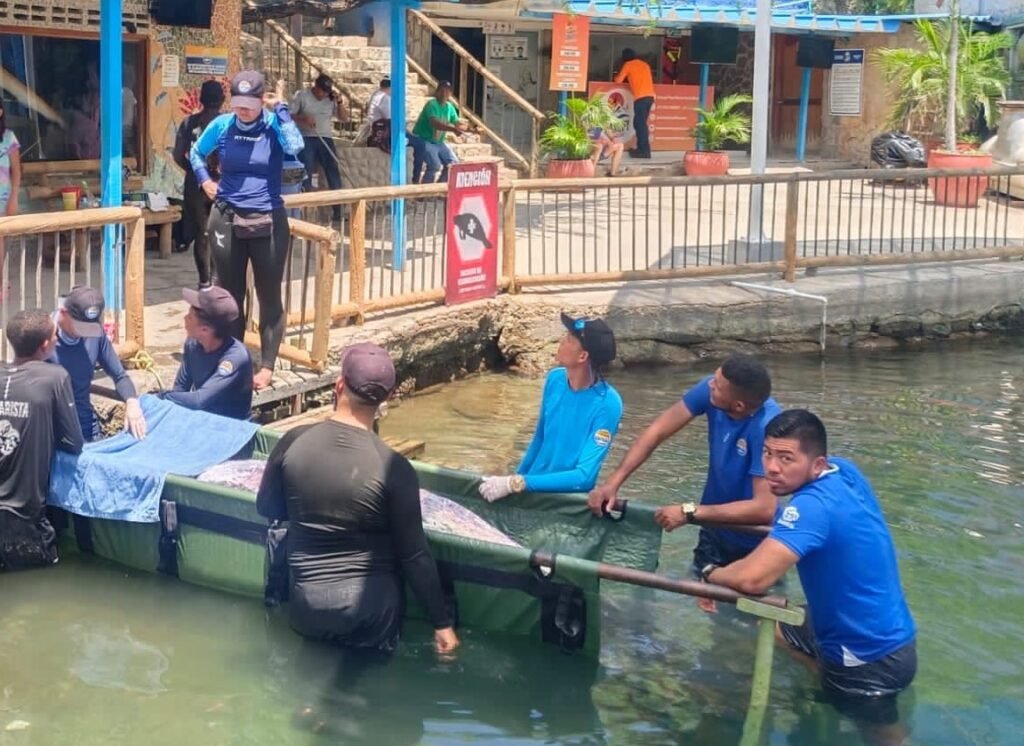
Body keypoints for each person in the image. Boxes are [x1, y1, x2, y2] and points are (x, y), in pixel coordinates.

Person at [705, 409, 917, 743]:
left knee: (884, 738)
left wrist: (711, 574)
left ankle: (837, 689)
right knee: (779, 627)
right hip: (889, 631)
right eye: (768, 453)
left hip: (866, 657)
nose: (771, 467)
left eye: (786, 458)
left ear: (816, 464)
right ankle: (821, 676)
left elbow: (752, 580)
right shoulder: (845, 472)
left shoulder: (810, 508)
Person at [256, 342, 459, 656]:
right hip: (372, 612)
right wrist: (442, 624)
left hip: (306, 605)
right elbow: (414, 556)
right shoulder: (395, 468)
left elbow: (266, 507)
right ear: (385, 399)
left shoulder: (293, 441)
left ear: (339, 386)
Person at [588, 354, 781, 611]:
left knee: (747, 624)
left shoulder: (768, 428)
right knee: (706, 612)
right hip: (713, 531)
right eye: (714, 378)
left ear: (738, 406)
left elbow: (764, 508)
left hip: (756, 545)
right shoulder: (712, 391)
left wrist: (688, 512)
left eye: (718, 385)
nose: (711, 384)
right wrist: (613, 483)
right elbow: (657, 432)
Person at [190, 71, 304, 391]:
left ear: (260, 100)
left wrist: (281, 109)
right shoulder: (223, 125)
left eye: (249, 105)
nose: (243, 111)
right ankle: (233, 360)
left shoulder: (273, 126)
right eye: (238, 104)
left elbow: (296, 146)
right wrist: (205, 180)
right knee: (229, 294)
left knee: (269, 294)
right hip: (226, 215)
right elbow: (195, 152)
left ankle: (266, 366)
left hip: (267, 217)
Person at [479, 313, 623, 501]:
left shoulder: (609, 404)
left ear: (583, 356)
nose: (561, 342)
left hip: (563, 503)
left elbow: (584, 477)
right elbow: (540, 438)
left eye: (569, 340)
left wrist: (519, 483)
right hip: (531, 488)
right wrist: (514, 480)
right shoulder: (555, 379)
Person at [0, 309, 84, 570]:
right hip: (24, 524)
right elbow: (73, 442)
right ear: (45, 345)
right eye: (55, 335)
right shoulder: (54, 377)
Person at [50, 286, 146, 441]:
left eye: (89, 328)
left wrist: (132, 402)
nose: (84, 334)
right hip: (50, 428)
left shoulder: (96, 336)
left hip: (85, 425)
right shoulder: (42, 335)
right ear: (63, 313)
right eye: (80, 327)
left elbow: (120, 376)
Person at [162, 286, 253, 420]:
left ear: (205, 330)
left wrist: (162, 396)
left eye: (190, 317)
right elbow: (180, 388)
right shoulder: (192, 344)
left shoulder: (235, 357)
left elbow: (199, 400)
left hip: (233, 428)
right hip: (203, 420)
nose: (185, 318)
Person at [174, 80, 225, 289]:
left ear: (201, 99)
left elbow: (178, 155)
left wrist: (195, 171)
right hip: (225, 184)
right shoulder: (229, 122)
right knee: (222, 232)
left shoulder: (189, 123)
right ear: (223, 100)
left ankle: (205, 282)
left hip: (196, 186)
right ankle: (218, 280)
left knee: (202, 234)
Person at [291, 73, 345, 222]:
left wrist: (339, 102)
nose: (323, 94)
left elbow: (344, 118)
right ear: (315, 86)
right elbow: (288, 115)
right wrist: (303, 119)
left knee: (333, 171)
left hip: (325, 138)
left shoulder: (331, 98)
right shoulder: (302, 96)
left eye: (326, 91)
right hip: (307, 137)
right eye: (322, 91)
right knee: (306, 171)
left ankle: (338, 211)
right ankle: (305, 211)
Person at [408, 81, 470, 184]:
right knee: (434, 165)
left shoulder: (449, 107)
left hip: (439, 142)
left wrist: (470, 129)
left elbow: (457, 122)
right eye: (442, 90)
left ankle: (439, 189)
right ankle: (424, 194)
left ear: (450, 94)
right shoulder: (431, 104)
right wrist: (453, 130)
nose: (444, 93)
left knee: (453, 163)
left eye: (447, 91)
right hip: (424, 140)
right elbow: (434, 123)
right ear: (437, 92)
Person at [614, 49, 655, 159]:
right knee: (640, 124)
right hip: (650, 97)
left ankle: (644, 151)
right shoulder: (645, 64)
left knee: (640, 124)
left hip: (640, 98)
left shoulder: (628, 65)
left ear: (624, 58)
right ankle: (641, 149)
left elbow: (618, 81)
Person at [0, 100, 21, 300]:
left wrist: (14, 197)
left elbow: (16, 171)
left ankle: (1, 283)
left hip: (2, 197)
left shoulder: (8, 138)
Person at [366, 78, 392, 153]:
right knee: (420, 145)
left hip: (374, 129)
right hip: (381, 131)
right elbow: (389, 117)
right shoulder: (385, 98)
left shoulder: (375, 95)